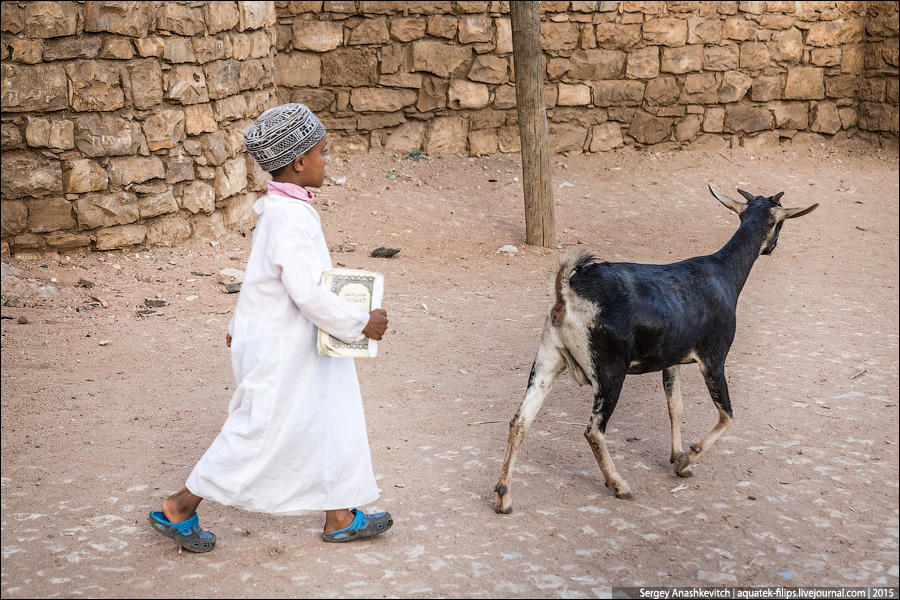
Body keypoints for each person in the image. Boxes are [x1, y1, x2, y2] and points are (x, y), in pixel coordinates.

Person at [149, 103, 391, 552]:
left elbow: (261, 279)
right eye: (323, 152)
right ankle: (180, 506)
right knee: (256, 429)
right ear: (299, 161)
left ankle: (339, 514)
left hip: (298, 344)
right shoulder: (289, 218)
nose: (326, 161)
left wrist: (236, 323)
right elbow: (307, 292)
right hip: (285, 350)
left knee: (331, 417)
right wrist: (361, 323)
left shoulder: (283, 211)